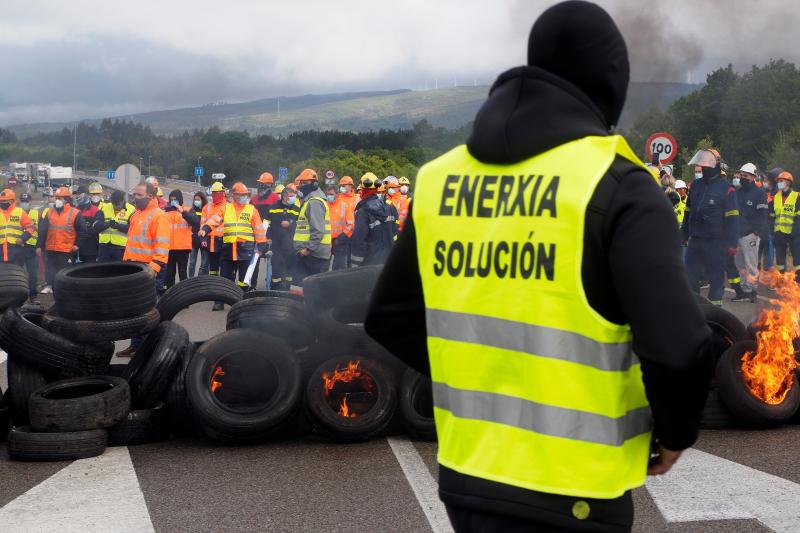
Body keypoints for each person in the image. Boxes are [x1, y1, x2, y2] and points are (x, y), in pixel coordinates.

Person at [365, 2, 712, 531]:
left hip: (469, 478)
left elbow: (390, 317)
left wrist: (492, 376)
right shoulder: (615, 183)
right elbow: (679, 346)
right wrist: (675, 433)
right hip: (575, 488)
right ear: (609, 84)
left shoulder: (438, 178)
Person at [117, 181, 170, 357]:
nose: (135, 198)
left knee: (147, 312)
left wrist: (154, 268)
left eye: (139, 195)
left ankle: (145, 350)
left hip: (148, 269)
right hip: (133, 268)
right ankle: (135, 346)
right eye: (134, 195)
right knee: (134, 310)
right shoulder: (136, 214)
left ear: (150, 196)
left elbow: (162, 246)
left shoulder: (158, 216)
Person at [682, 149, 740, 306]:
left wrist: (732, 244)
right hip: (695, 240)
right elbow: (688, 211)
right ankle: (693, 310)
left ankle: (715, 314)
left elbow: (733, 218)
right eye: (702, 164)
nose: (703, 167)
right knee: (690, 277)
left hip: (716, 243)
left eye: (707, 164)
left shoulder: (727, 188)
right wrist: (684, 233)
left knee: (716, 279)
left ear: (716, 165)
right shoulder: (695, 185)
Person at [204, 182, 267, 289]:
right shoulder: (226, 208)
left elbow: (259, 229)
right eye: (241, 195)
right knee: (225, 279)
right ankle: (220, 303)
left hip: (246, 250)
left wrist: (262, 244)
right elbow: (215, 220)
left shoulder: (252, 210)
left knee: (243, 280)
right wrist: (205, 229)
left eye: (245, 195)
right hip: (228, 250)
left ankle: (241, 301)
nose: (244, 197)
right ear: (234, 195)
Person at [37, 186, 86, 294]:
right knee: (50, 269)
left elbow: (82, 231)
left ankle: (65, 289)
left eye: (60, 198)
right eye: (57, 197)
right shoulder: (50, 212)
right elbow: (42, 230)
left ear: (67, 199)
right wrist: (39, 245)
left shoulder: (75, 213)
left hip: (66, 249)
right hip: (51, 247)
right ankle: (50, 285)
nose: (58, 200)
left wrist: (77, 245)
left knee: (64, 272)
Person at [291, 169, 331, 292]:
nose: (301, 187)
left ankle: (301, 310)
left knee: (312, 291)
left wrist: (308, 249)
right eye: (300, 184)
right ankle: (298, 310)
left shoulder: (314, 202)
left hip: (313, 256)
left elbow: (318, 230)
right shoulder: (312, 201)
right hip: (311, 255)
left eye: (304, 183)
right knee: (301, 289)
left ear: (313, 184)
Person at [350, 172, 396, 267]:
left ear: (363, 190)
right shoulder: (390, 207)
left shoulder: (363, 211)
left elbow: (359, 240)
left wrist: (355, 264)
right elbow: (395, 232)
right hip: (387, 260)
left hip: (369, 263)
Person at [266, 184, 300, 290]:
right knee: (276, 270)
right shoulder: (273, 208)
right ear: (284, 196)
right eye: (291, 196)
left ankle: (287, 291)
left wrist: (290, 224)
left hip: (291, 245)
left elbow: (301, 226)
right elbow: (265, 225)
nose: (293, 198)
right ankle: (275, 291)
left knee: (290, 271)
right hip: (276, 245)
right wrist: (266, 237)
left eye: (294, 196)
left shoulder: (296, 209)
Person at [251, 172, 280, 288]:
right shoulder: (253, 200)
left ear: (269, 185)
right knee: (253, 263)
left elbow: (277, 220)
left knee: (270, 265)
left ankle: (269, 288)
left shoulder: (275, 199)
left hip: (270, 238)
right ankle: (251, 287)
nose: (261, 187)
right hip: (255, 237)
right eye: (260, 184)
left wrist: (272, 237)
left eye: (263, 184)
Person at [770, 170, 800, 280]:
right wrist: (772, 232)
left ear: (789, 183)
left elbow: (798, 216)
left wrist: (796, 231)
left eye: (781, 181)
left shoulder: (797, 196)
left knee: (797, 260)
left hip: (794, 234)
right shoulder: (776, 197)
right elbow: (772, 216)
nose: (779, 183)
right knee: (780, 261)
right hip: (779, 233)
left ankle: (798, 282)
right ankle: (781, 281)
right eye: (778, 181)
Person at [164, 189, 193, 288]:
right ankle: (169, 296)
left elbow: (195, 221)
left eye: (175, 199)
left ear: (180, 200)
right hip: (169, 248)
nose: (173, 202)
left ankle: (184, 296)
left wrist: (182, 211)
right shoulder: (166, 212)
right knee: (169, 274)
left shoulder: (188, 210)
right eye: (171, 199)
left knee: (182, 273)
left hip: (183, 248)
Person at [96, 190, 135, 262]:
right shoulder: (104, 208)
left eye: (118, 205)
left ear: (123, 200)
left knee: (119, 271)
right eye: (113, 204)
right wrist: (107, 224)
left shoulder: (131, 210)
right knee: (103, 271)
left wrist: (118, 226)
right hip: (104, 247)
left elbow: (133, 228)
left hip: (121, 248)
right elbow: (96, 225)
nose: (115, 207)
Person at [0, 189, 35, 266]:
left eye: (5, 201)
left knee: (16, 275)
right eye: (1, 201)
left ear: (12, 201)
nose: (2, 203)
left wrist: (23, 238)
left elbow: (31, 227)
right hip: (1, 250)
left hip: (16, 250)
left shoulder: (19, 212)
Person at [17, 192, 41, 302]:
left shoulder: (37, 214)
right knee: (17, 274)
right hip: (18, 249)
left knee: (33, 274)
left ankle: (33, 296)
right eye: (22, 201)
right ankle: (18, 297)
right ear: (19, 202)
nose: (24, 203)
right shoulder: (16, 214)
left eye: (26, 201)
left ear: (30, 202)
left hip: (32, 249)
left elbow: (42, 231)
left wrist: (39, 246)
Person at [329, 176, 357, 270]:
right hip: (327, 240)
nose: (342, 187)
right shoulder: (326, 204)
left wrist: (341, 238)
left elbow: (351, 224)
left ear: (351, 186)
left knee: (341, 266)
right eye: (341, 185)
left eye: (344, 185)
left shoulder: (352, 201)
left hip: (343, 239)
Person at [72, 185, 102, 264]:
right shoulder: (74, 210)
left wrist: (83, 233)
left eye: (80, 194)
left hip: (90, 249)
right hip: (75, 248)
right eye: (77, 194)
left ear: (87, 195)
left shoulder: (95, 210)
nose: (78, 196)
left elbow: (96, 229)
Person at [186, 191, 207, 277]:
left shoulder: (206, 210)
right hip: (193, 240)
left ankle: (200, 280)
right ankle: (191, 280)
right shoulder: (192, 210)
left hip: (203, 239)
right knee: (192, 263)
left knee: (204, 264)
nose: (196, 201)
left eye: (198, 200)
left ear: (203, 200)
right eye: (195, 200)